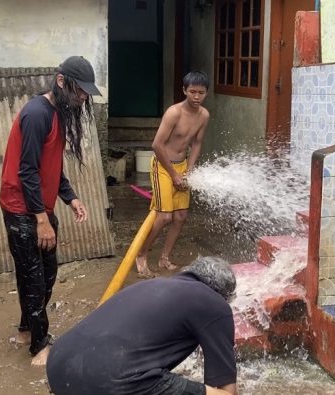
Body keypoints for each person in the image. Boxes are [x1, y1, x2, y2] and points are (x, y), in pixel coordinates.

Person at [0, 55, 96, 366]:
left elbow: (49, 166)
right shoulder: (37, 113)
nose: (82, 97)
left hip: (39, 205)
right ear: (60, 81)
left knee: (46, 274)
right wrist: (41, 220)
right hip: (21, 208)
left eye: (86, 93)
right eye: (79, 90)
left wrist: (70, 197)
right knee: (35, 279)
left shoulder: (58, 112)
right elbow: (27, 170)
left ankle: (27, 329)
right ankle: (39, 347)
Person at [47, 256, 238, 395]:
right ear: (223, 295)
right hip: (109, 381)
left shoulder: (154, 286)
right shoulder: (214, 303)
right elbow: (226, 389)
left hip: (58, 366)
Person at [135, 71, 210, 277]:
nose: (196, 97)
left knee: (180, 216)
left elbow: (196, 143)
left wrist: (189, 171)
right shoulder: (174, 113)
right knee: (164, 217)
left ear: (206, 94)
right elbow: (157, 145)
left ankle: (164, 258)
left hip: (182, 167)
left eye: (201, 93)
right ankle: (141, 254)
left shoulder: (204, 115)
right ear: (184, 90)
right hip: (162, 166)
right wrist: (173, 174)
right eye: (192, 92)